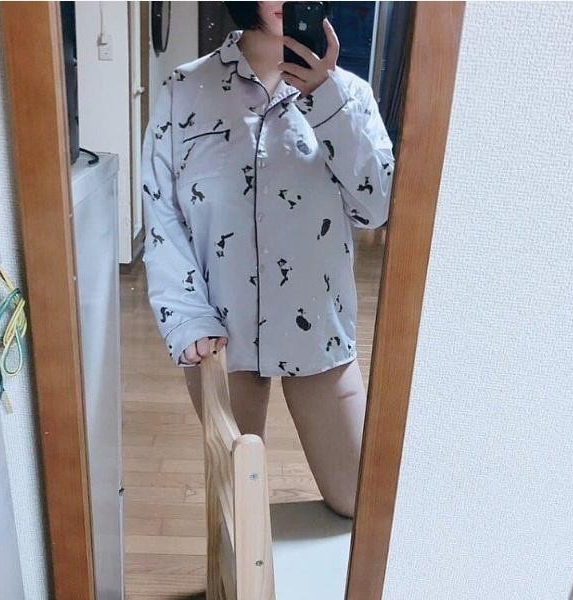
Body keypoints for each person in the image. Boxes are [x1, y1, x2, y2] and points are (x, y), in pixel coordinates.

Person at [141, 1, 395, 517]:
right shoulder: (184, 90)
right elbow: (162, 214)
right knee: (238, 507)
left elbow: (375, 208)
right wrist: (187, 318)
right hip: (219, 331)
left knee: (359, 502)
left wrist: (326, 101)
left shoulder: (351, 96)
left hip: (317, 326)